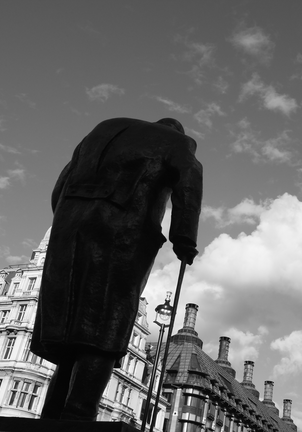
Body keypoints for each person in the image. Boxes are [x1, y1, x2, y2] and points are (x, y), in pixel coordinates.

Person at [30, 117, 203, 421]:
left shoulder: (103, 129)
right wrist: (184, 238)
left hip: (69, 226)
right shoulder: (177, 142)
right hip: (121, 231)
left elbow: (61, 184)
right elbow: (188, 181)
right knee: (107, 323)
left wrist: (69, 218)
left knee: (69, 326)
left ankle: (52, 413)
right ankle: (78, 413)